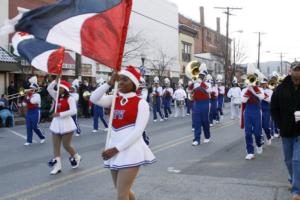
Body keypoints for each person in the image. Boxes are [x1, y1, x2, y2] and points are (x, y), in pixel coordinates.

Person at [90, 66, 156, 200]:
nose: (120, 82)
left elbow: (138, 131)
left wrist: (116, 149)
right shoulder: (114, 99)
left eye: (124, 80)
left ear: (133, 83)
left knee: (121, 195)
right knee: (123, 191)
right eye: (119, 80)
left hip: (130, 151)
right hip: (113, 150)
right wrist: (108, 83)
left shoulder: (141, 103)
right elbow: (94, 98)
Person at [271, 62, 300, 200]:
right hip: (286, 130)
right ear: (290, 71)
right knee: (288, 160)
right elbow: (273, 108)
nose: (298, 72)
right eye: (296, 70)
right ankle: (293, 179)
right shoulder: (280, 89)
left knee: (297, 160)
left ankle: (296, 191)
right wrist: (279, 124)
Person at [47, 79, 81, 175]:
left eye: (60, 87)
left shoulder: (70, 98)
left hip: (67, 124)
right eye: (58, 87)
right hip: (56, 124)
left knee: (66, 145)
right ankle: (57, 166)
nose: (58, 89)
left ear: (65, 89)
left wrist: (60, 114)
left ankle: (76, 156)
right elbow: (49, 88)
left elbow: (74, 111)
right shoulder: (56, 96)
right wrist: (55, 80)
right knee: (56, 145)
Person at [241, 66, 264, 160]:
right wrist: (248, 89)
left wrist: (253, 88)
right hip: (248, 111)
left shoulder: (260, 89)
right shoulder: (244, 90)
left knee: (257, 133)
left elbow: (261, 97)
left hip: (257, 111)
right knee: (248, 133)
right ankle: (250, 151)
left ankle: (259, 144)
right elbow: (243, 100)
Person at [191, 63, 211, 145]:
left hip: (205, 104)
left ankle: (207, 136)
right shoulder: (196, 83)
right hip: (196, 103)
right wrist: (193, 83)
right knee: (197, 121)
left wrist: (201, 83)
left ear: (205, 76)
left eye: (202, 76)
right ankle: (197, 139)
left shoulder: (208, 84)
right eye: (200, 75)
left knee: (205, 121)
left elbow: (208, 90)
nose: (201, 77)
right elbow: (189, 91)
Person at [23, 76, 45, 146]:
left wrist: (28, 96)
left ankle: (42, 137)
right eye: (30, 88)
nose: (30, 89)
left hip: (36, 111)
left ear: (35, 89)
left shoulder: (37, 95)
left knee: (35, 126)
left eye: (32, 88)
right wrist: (25, 97)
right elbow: (23, 104)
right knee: (28, 127)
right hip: (29, 111)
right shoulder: (29, 95)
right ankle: (29, 141)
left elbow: (33, 101)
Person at [260, 77, 273, 145]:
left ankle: (268, 136)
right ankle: (261, 139)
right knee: (258, 126)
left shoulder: (270, 91)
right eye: (262, 83)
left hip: (266, 110)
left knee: (265, 126)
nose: (263, 85)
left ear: (267, 84)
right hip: (259, 110)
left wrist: (262, 95)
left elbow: (269, 100)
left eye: (264, 83)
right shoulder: (259, 90)